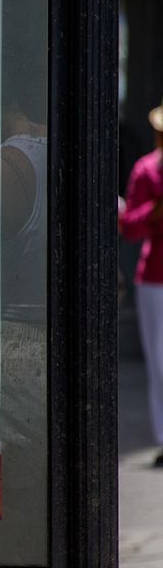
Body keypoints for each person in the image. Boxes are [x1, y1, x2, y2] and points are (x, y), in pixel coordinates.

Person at [120, 98, 163, 466]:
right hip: (155, 278)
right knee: (160, 362)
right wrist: (155, 209)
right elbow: (130, 227)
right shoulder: (146, 170)